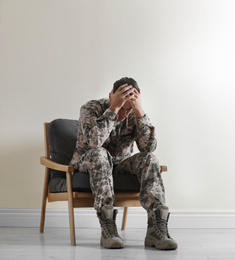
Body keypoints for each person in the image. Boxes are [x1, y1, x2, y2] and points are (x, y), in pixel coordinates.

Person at [69, 77, 177, 250]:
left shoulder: (134, 112)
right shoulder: (90, 108)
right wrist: (114, 109)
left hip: (119, 164)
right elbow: (94, 143)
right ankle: (109, 230)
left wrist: (139, 110)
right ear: (111, 95)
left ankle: (157, 231)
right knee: (100, 153)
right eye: (122, 107)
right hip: (88, 161)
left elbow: (147, 147)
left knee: (150, 159)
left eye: (128, 109)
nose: (124, 114)